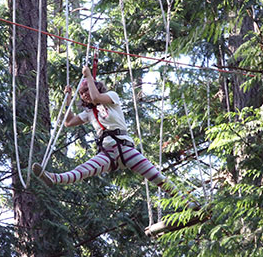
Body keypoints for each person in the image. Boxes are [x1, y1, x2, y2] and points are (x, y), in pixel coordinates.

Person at [32, 66, 176, 197]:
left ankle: (187, 200)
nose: (84, 95)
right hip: (108, 152)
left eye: (86, 90)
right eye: (81, 93)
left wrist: (88, 77)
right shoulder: (89, 112)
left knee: (156, 177)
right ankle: (53, 178)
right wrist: (68, 100)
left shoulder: (112, 97)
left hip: (125, 147)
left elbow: (96, 98)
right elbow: (69, 122)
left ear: (96, 87)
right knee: (83, 170)